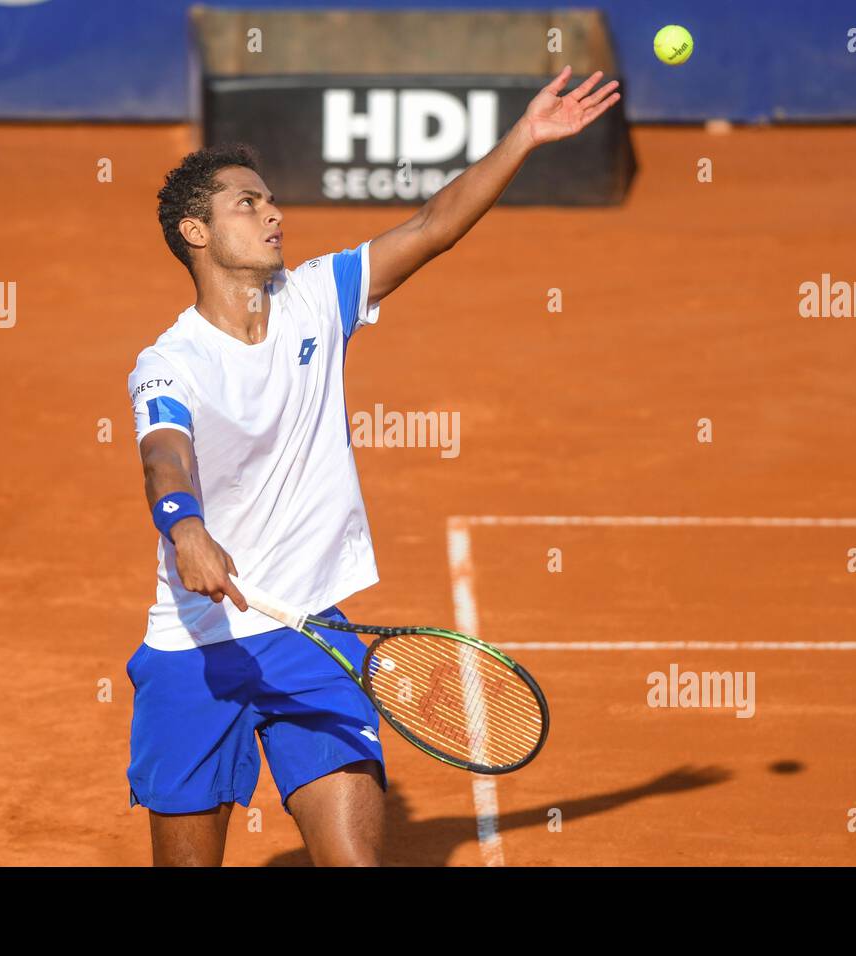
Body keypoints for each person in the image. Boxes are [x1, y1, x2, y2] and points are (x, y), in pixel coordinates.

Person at [125, 67, 619, 866]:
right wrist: (185, 527)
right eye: (246, 203)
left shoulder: (316, 297)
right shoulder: (170, 363)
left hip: (312, 636)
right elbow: (164, 453)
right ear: (196, 233)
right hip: (200, 651)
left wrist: (524, 137)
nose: (272, 212)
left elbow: (432, 225)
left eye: (270, 198)